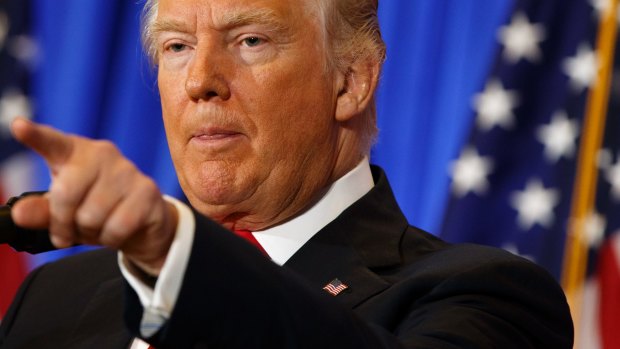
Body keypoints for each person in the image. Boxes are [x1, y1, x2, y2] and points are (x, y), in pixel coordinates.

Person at [0, 0, 573, 348]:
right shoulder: (53, 300)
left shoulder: (485, 298)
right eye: (176, 46)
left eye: (249, 40)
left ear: (350, 82)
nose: (200, 80)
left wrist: (180, 258)